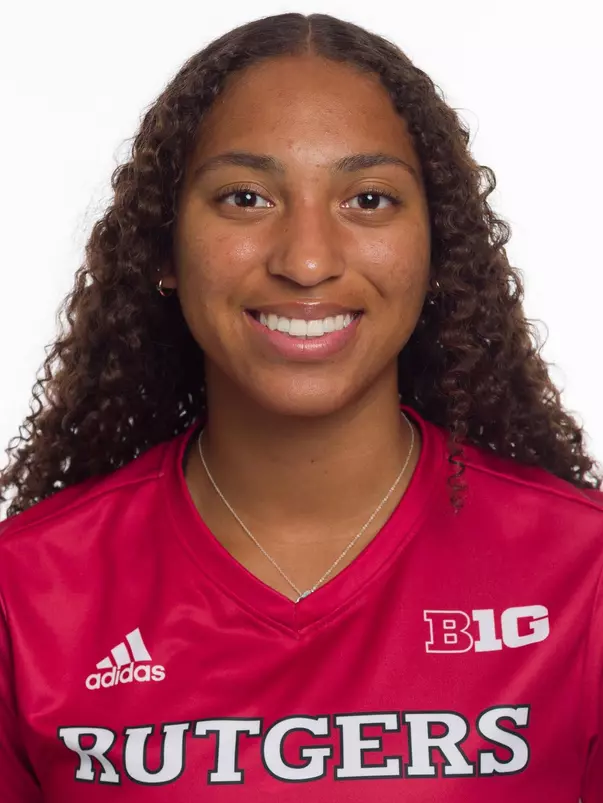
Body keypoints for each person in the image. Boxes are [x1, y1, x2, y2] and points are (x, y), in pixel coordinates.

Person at [0, 11, 601, 802]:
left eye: (369, 199)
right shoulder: (27, 592)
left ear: (436, 249)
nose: (308, 259)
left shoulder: (581, 576)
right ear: (162, 250)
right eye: (245, 197)